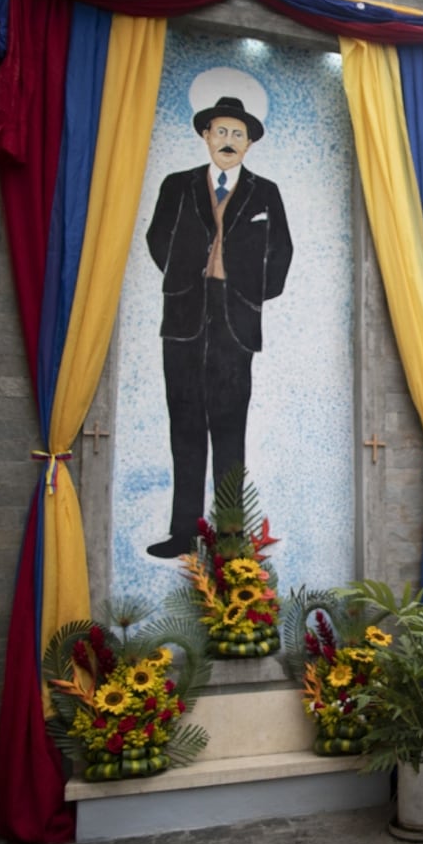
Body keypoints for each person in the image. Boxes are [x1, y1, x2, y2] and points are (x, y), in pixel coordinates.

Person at [144, 96, 293, 559]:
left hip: (236, 320)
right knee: (184, 424)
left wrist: (249, 294)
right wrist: (184, 279)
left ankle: (230, 536)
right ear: (206, 135)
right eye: (220, 132)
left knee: (230, 426)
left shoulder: (265, 192)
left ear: (249, 143)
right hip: (185, 316)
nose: (228, 142)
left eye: (238, 134)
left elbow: (282, 251)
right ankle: (183, 531)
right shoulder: (177, 185)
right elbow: (156, 238)